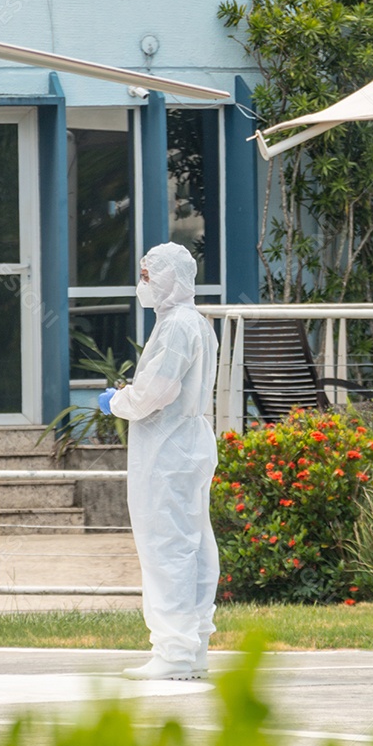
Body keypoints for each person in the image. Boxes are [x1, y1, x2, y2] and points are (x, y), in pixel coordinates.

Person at [98, 241, 220, 680]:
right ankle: (194, 644)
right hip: (189, 443)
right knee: (193, 542)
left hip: (168, 448)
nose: (143, 283)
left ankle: (173, 652)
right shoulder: (196, 324)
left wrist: (117, 401)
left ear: (169, 277)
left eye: (148, 275)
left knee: (166, 545)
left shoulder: (176, 328)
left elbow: (156, 393)